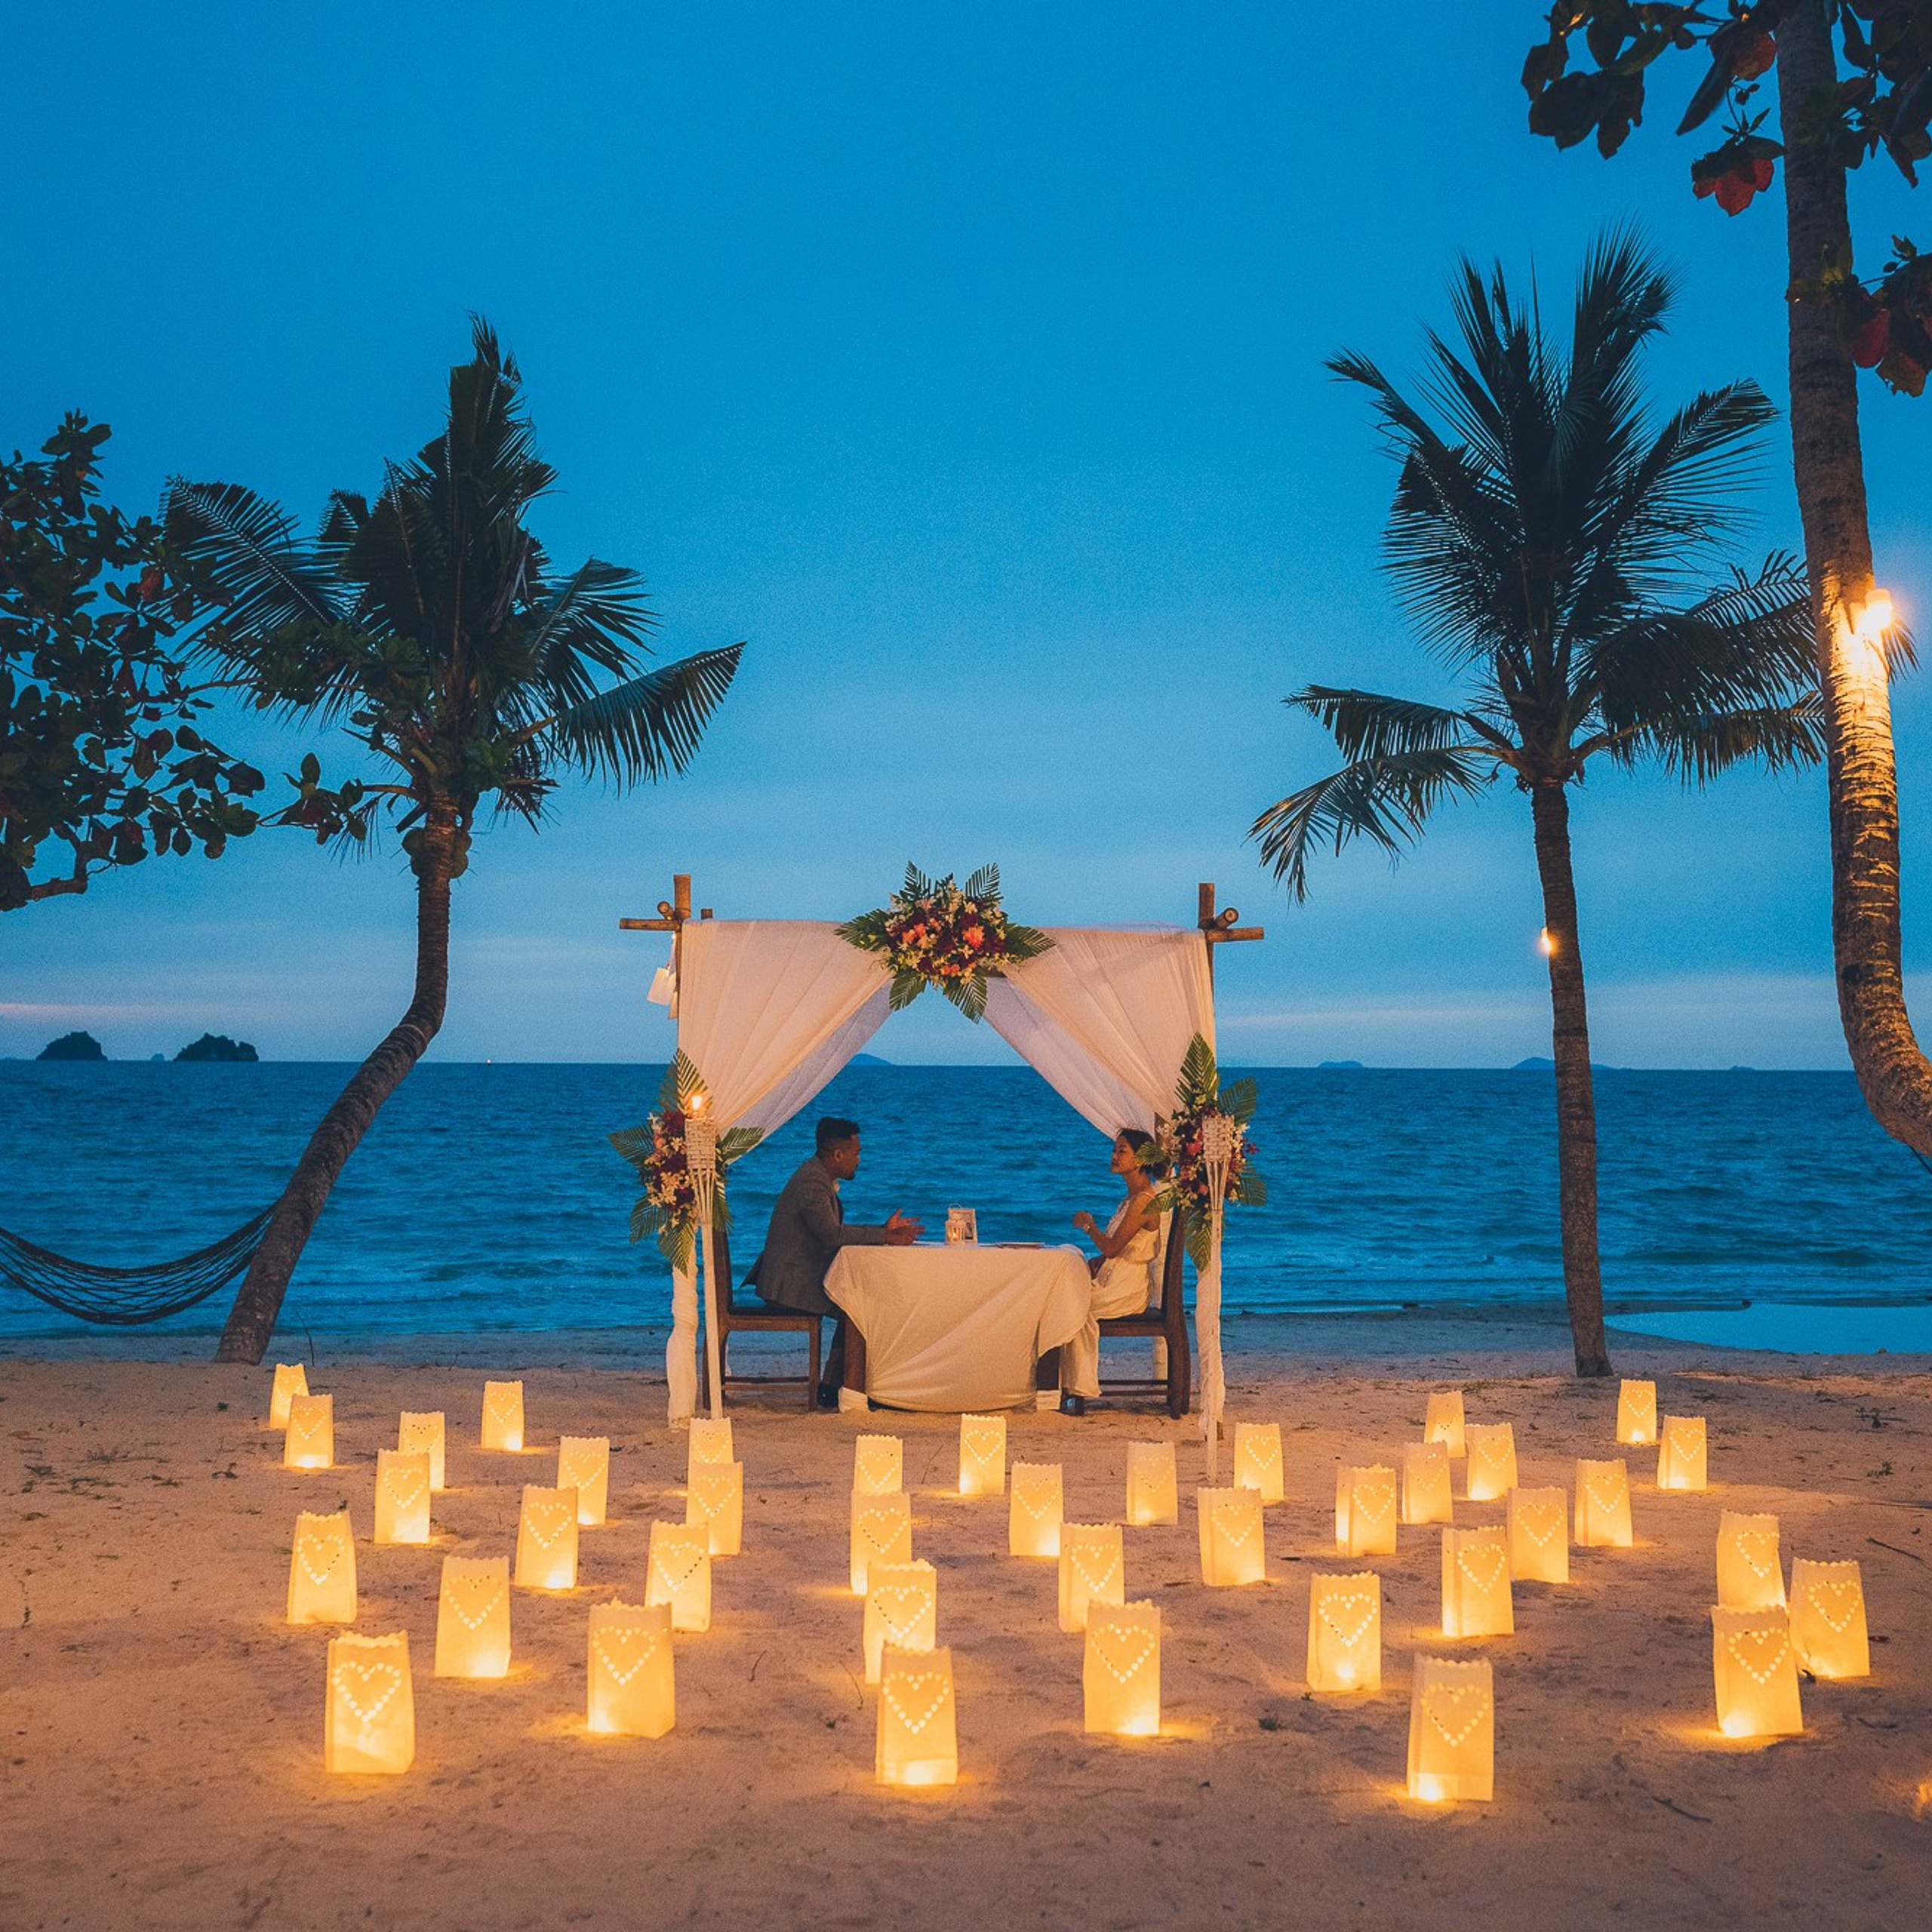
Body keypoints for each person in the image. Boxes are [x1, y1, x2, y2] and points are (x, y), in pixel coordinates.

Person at [748, 1115, 922, 1407]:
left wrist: (884, 1230)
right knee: (858, 1305)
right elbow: (831, 1235)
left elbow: (832, 1232)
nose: (859, 1160)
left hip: (800, 1275)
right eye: (856, 1153)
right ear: (838, 1154)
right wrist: (886, 1237)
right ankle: (845, 1388)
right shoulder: (812, 1183)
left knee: (860, 1300)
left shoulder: (817, 1176)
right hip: (789, 1285)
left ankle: (837, 1386)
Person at [1060, 1128, 1166, 1416]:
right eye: (1115, 1150)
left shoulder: (1144, 1200)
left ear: (1140, 1160)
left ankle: (1075, 1389)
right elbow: (1114, 1251)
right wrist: (1098, 1261)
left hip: (1127, 1289)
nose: (1114, 1156)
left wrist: (1088, 1225)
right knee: (1061, 1296)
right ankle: (1065, 1386)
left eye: (1122, 1151)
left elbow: (1113, 1248)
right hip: (1115, 1278)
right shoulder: (1130, 1199)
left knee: (1070, 1304)